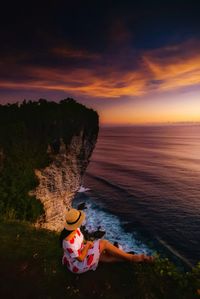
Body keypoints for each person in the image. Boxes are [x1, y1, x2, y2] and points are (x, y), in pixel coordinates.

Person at [60, 208, 154, 274]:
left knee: (103, 256)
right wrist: (88, 245)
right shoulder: (68, 242)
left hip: (82, 252)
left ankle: (126, 260)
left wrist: (86, 244)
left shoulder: (76, 230)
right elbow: (80, 258)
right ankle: (132, 258)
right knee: (103, 243)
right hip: (78, 265)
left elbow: (80, 243)